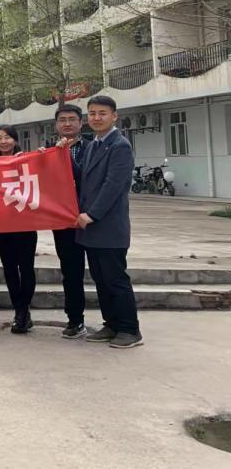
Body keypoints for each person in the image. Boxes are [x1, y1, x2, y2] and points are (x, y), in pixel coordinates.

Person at [77, 96, 142, 349]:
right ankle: (111, 324)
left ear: (114, 116)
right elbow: (84, 179)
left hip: (109, 226)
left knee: (115, 279)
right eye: (92, 113)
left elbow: (113, 186)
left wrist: (92, 214)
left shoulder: (120, 145)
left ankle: (129, 329)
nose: (96, 118)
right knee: (101, 279)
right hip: (91, 229)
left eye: (102, 113)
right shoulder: (94, 144)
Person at [0, 125, 37, 335]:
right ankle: (19, 310)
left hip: (25, 223)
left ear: (16, 140)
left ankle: (23, 309)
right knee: (9, 268)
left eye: (7, 137)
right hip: (0, 225)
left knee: (26, 267)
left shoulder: (27, 160)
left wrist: (42, 156)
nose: (3, 141)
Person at [51, 104, 89, 339]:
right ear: (56, 125)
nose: (67, 123)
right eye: (62, 119)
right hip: (63, 222)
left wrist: (64, 155)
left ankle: (114, 321)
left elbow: (85, 177)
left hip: (90, 218)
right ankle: (75, 319)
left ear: (80, 123)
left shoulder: (92, 148)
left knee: (102, 271)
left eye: (72, 119)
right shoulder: (49, 151)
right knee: (71, 272)